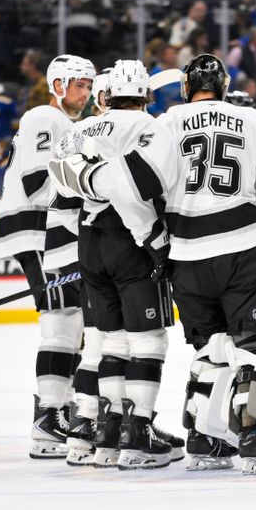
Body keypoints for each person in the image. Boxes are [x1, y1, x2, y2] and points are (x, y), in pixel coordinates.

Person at [49, 53, 256, 475]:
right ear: (225, 87)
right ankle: (252, 437)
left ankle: (204, 439)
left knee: (209, 347)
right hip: (242, 247)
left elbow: (136, 185)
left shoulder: (165, 123)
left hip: (184, 253)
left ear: (186, 88)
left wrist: (150, 236)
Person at [51, 60, 184, 469]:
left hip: (89, 242)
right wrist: (155, 241)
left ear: (105, 96)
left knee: (109, 341)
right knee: (148, 342)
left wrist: (93, 184)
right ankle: (136, 433)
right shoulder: (148, 128)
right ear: (145, 95)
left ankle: (107, 433)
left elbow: (62, 190)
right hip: (130, 242)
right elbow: (136, 191)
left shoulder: (78, 130)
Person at [0, 54, 95, 460]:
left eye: (88, 86)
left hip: (50, 231)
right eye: (78, 85)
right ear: (57, 86)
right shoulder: (42, 118)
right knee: (62, 319)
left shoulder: (65, 124)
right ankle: (49, 416)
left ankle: (55, 414)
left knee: (72, 317)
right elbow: (37, 176)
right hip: (35, 227)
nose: (84, 94)